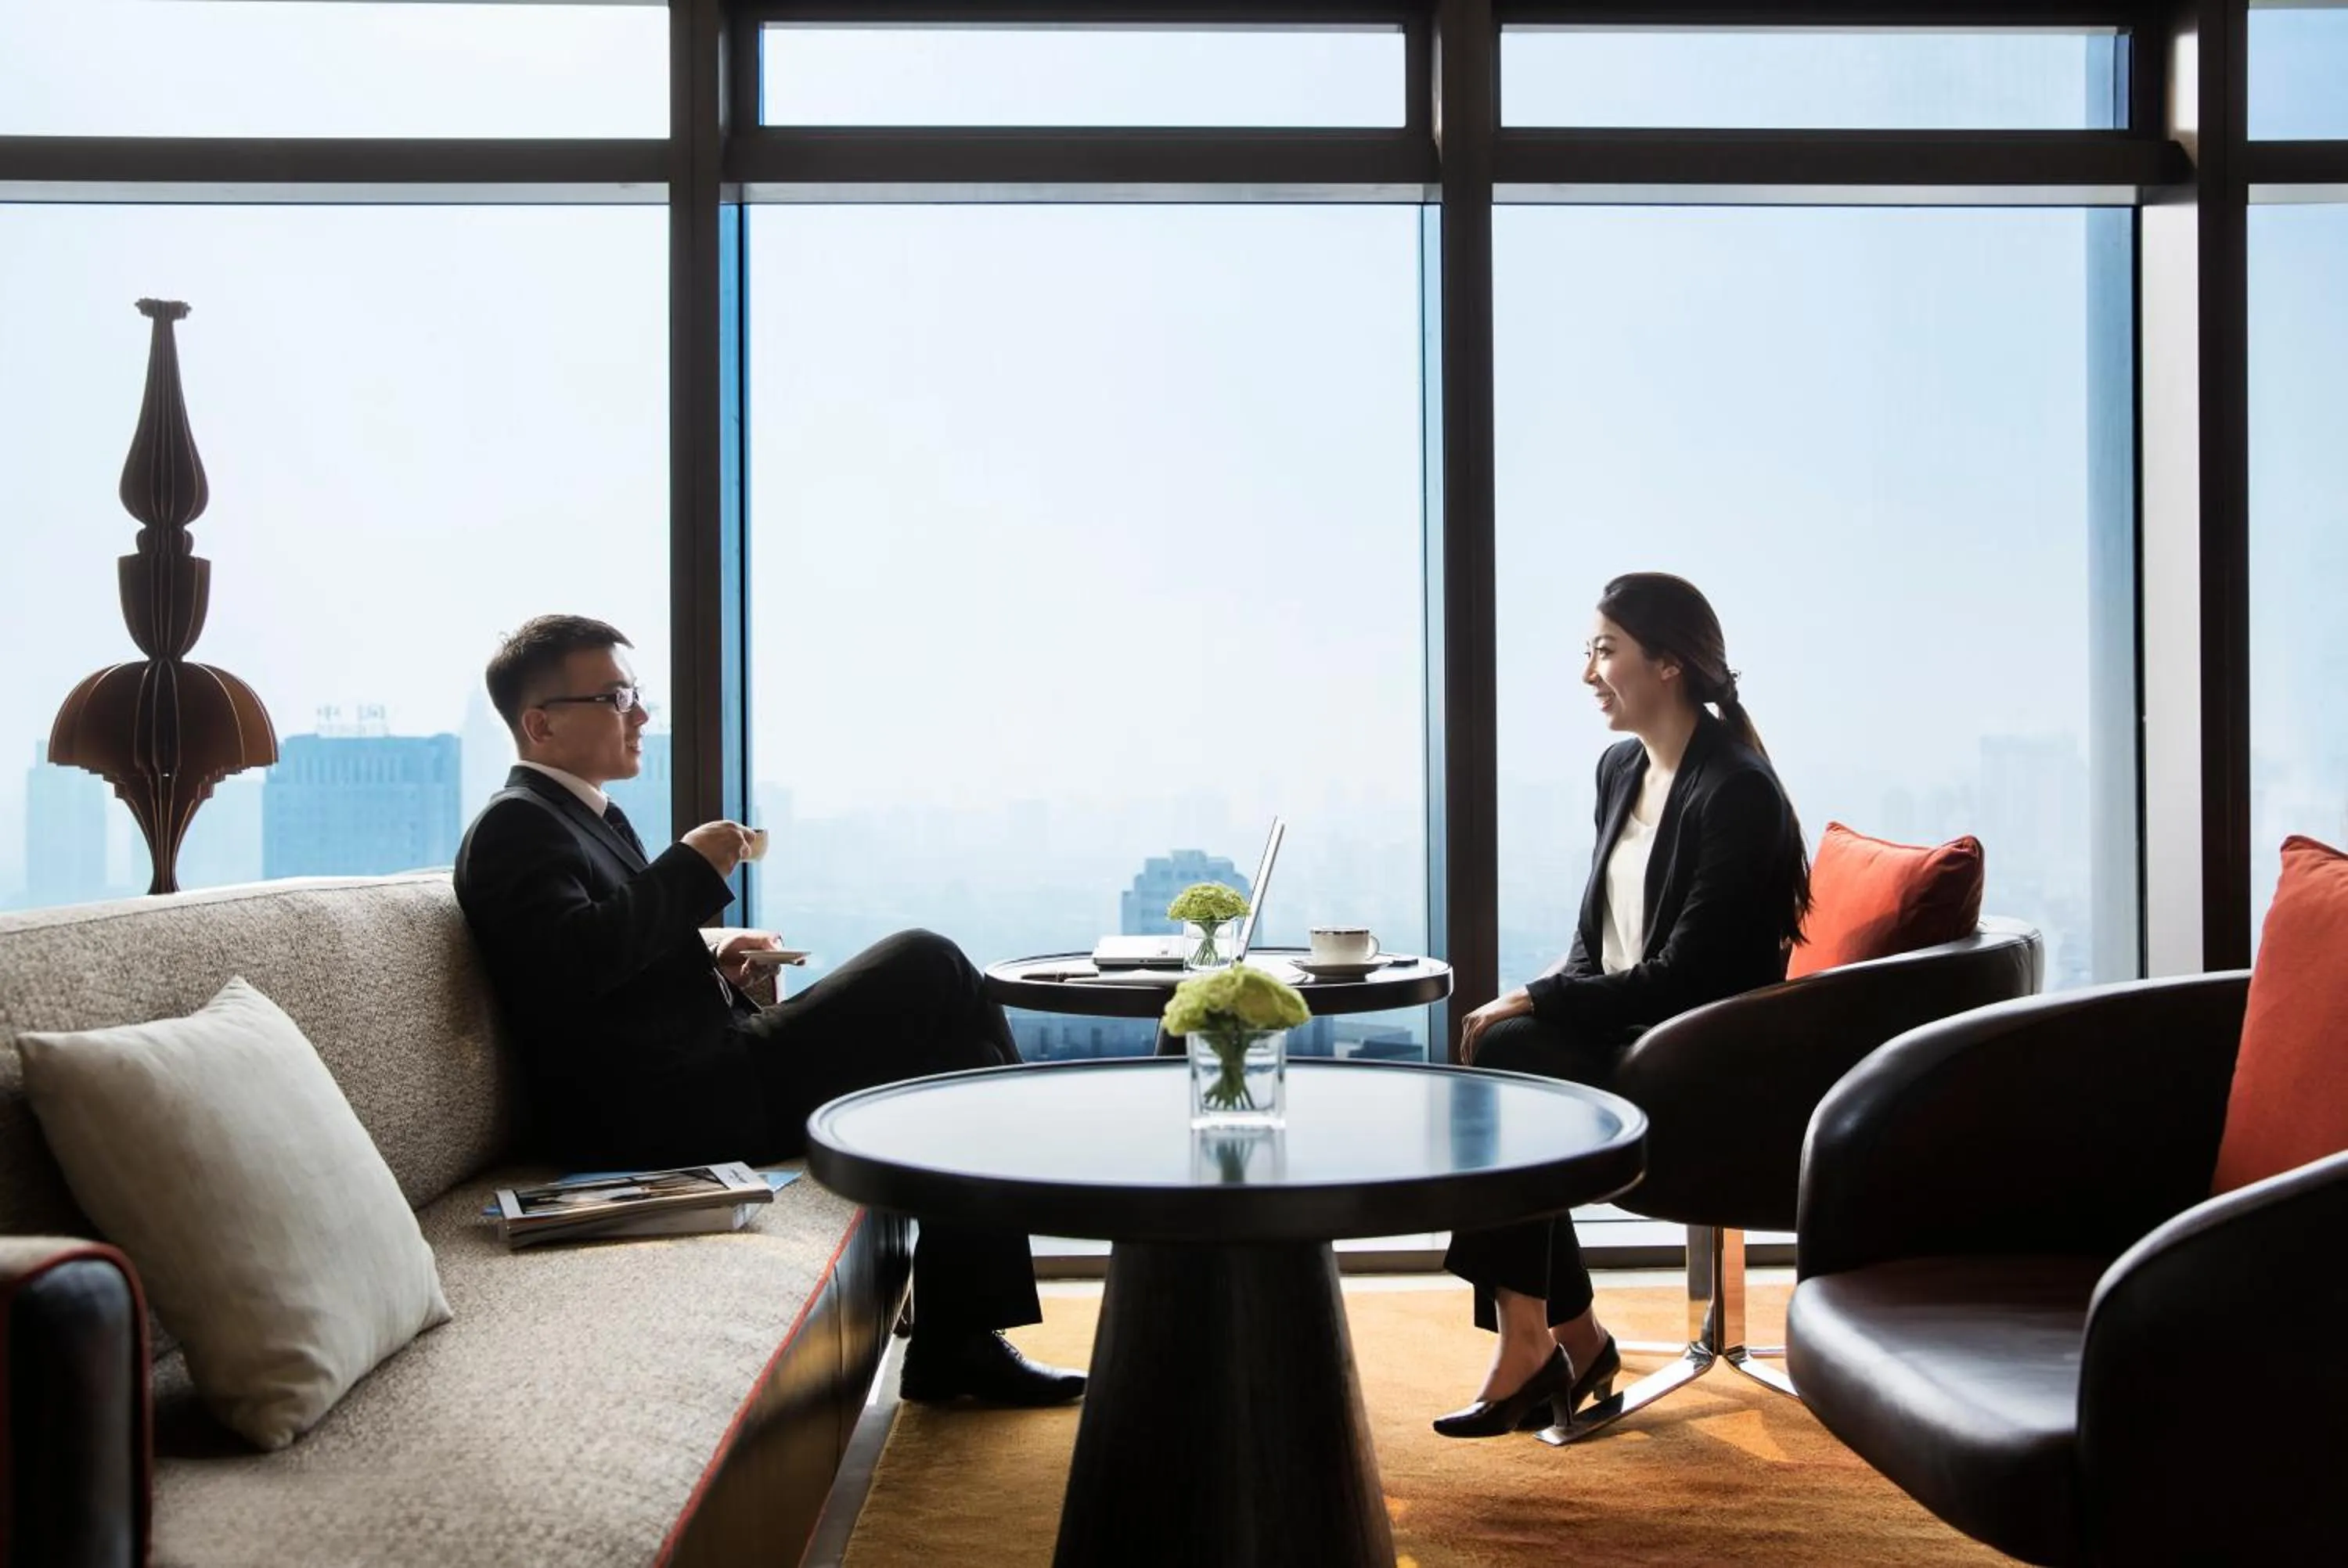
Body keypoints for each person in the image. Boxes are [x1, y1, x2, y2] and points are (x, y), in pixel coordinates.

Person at [452, 613, 1083, 1409]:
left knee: (955, 1048)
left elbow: (607, 971)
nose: (641, 715)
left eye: (636, 694)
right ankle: (964, 1329)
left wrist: (714, 968)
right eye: (616, 697)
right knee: (930, 966)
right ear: (540, 722)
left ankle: (959, 1333)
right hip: (657, 1115)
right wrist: (691, 865)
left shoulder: (580, 818)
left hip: (696, 1077)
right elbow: (566, 970)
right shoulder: (517, 826)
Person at [1432, 574, 1810, 1439]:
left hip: (1706, 1058)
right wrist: (1551, 997)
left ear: (1669, 663)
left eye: (1605, 650)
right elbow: (1595, 942)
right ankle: (1558, 1338)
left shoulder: (1736, 791)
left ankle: (1548, 1342)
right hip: (1635, 1037)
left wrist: (1536, 998)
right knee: (1503, 1064)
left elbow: (1688, 978)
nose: (1589, 672)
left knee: (1507, 1058)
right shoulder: (1621, 769)